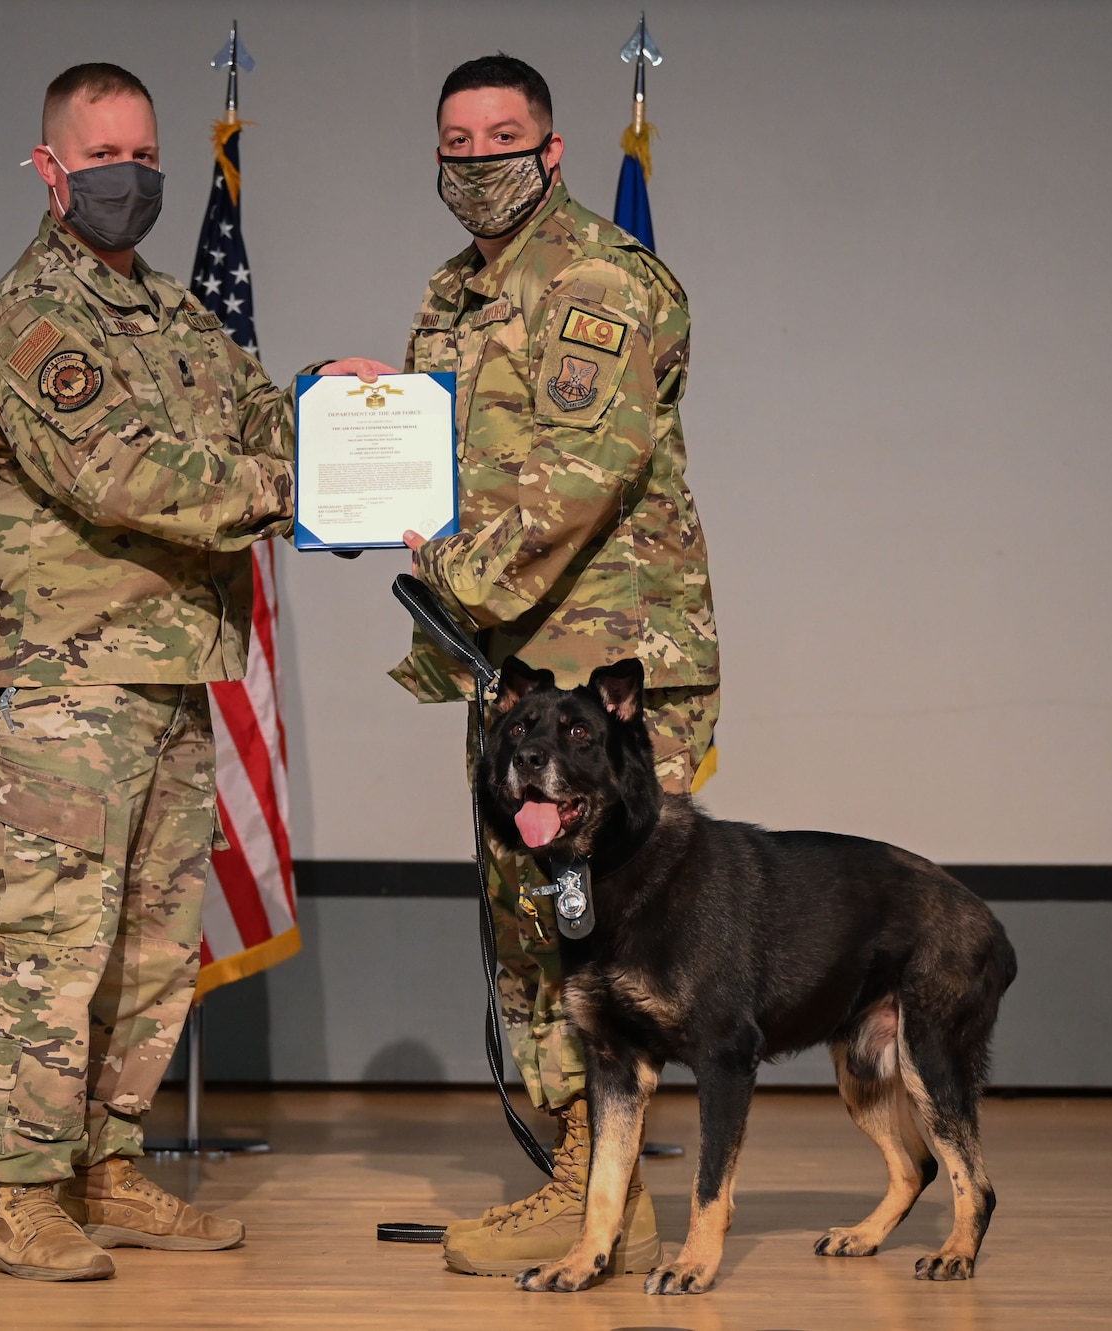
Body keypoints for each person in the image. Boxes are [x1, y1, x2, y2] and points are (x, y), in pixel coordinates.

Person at [321, 53, 721, 1277]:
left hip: (606, 663)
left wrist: (446, 565)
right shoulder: (452, 292)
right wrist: (363, 424)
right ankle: (580, 1182)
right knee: (534, 925)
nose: (478, 157)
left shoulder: (600, 278)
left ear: (551, 149)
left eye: (504, 135)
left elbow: (575, 472)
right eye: (457, 137)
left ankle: (606, 1191)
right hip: (516, 671)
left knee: (618, 939)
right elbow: (452, 449)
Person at [0, 61, 294, 1282]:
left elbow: (259, 421)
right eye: (101, 159)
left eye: (144, 157)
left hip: (169, 668)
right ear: (49, 169)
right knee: (50, 938)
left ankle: (104, 1161)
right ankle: (15, 1189)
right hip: (60, 681)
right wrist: (292, 484)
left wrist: (352, 420)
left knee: (151, 938)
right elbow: (126, 475)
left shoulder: (174, 314)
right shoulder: (32, 318)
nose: (128, 178)